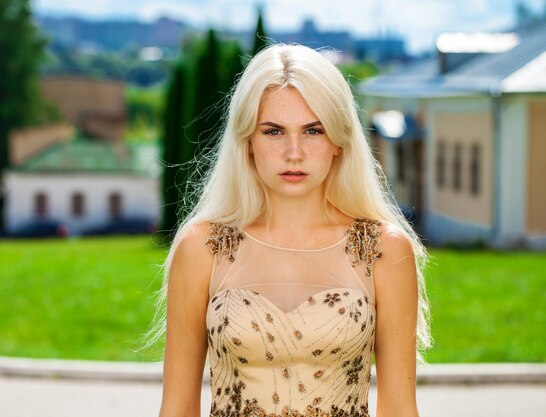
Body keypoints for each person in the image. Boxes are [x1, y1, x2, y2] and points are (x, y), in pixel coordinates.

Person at [148, 43, 432, 417]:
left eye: (313, 131)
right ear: (247, 141)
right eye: (274, 132)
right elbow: (177, 409)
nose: (294, 152)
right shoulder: (202, 247)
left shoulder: (384, 249)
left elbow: (399, 409)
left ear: (338, 141)